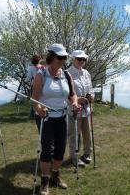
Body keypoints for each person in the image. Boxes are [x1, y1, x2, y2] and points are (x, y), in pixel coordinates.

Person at [32, 43, 80, 195]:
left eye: (65, 57)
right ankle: (44, 181)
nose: (63, 60)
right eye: (60, 57)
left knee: (60, 148)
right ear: (52, 57)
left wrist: (74, 103)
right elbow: (34, 99)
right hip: (45, 118)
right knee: (47, 150)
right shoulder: (41, 75)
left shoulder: (66, 75)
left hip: (62, 116)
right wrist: (40, 109)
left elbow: (72, 94)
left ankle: (55, 176)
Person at [66, 50, 94, 168]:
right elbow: (66, 93)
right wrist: (77, 100)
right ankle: (74, 156)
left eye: (84, 59)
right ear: (73, 59)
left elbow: (91, 89)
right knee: (75, 134)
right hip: (74, 109)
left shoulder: (86, 73)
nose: (82, 61)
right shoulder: (67, 73)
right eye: (79, 59)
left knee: (87, 133)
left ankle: (87, 154)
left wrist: (91, 96)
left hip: (86, 109)